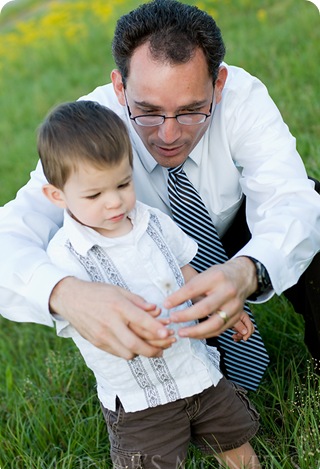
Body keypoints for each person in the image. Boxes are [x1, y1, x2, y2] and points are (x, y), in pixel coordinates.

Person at [0, 0, 319, 380]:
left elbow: (290, 198)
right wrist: (66, 294)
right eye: (148, 111)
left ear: (218, 84)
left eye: (191, 111)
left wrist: (248, 270)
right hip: (140, 262)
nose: (168, 135)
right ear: (120, 87)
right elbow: (11, 233)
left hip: (234, 228)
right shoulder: (89, 129)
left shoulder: (242, 99)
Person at [37, 99, 263, 469]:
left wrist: (227, 308)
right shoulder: (64, 257)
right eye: (94, 196)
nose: (114, 202)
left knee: (234, 439)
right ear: (57, 196)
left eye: (123, 184)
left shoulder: (153, 220)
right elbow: (81, 320)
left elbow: (188, 271)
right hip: (142, 401)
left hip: (197, 371)